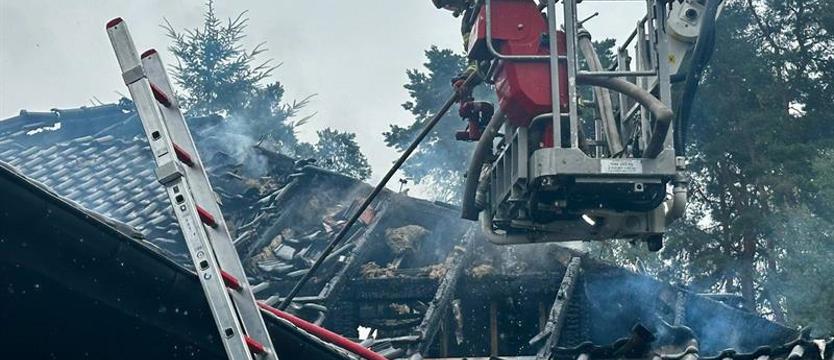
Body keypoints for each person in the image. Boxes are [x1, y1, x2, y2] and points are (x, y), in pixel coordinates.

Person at [432, 0, 492, 141]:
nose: (448, 7)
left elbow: (485, 58)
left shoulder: (480, 9)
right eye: (444, 5)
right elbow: (477, 61)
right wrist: (465, 79)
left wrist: (467, 79)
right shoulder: (470, 18)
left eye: (447, 2)